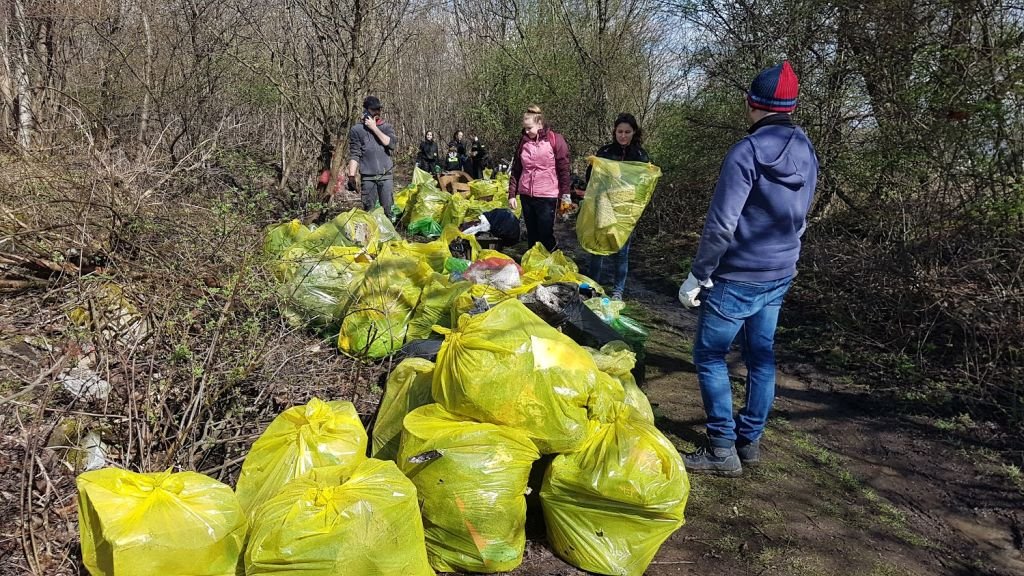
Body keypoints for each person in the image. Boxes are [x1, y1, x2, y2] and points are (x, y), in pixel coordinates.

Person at [678, 61, 818, 476]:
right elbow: (803, 213)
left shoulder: (746, 152)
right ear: (791, 107)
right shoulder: (807, 148)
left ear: (751, 104)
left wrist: (698, 274)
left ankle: (722, 448)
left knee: (709, 354)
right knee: (761, 356)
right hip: (780, 272)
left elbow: (722, 224)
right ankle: (749, 442)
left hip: (737, 275)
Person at [583, 113, 649, 300]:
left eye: (627, 132)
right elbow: (591, 179)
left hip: (626, 209)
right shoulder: (605, 152)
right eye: (620, 131)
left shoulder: (640, 156)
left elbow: (643, 185)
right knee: (598, 249)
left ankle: (618, 291)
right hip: (604, 205)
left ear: (634, 132)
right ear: (614, 132)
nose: (623, 135)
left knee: (621, 251)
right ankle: (592, 287)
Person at [508, 105, 570, 252]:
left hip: (547, 196)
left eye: (529, 128)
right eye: (525, 128)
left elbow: (564, 169)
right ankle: (533, 267)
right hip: (526, 195)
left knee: (546, 235)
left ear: (540, 124)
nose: (526, 131)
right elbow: (517, 169)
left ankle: (551, 264)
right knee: (532, 235)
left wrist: (566, 195)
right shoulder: (523, 142)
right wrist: (512, 194)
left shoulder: (555, 140)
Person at [347, 95, 398, 218]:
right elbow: (355, 154)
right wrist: (351, 175)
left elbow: (390, 144)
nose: (377, 112)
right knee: (369, 212)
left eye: (379, 109)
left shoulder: (386, 127)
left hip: (386, 176)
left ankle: (389, 235)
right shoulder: (356, 130)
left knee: (388, 210)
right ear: (366, 110)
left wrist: (374, 128)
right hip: (368, 178)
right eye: (374, 109)